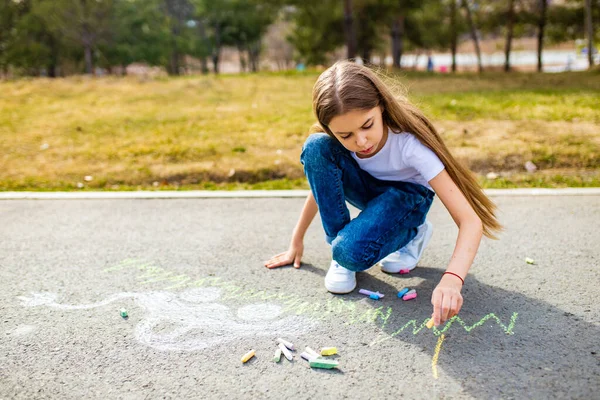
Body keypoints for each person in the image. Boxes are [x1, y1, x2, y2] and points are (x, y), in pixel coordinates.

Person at [264, 60, 501, 326]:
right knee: (316, 147)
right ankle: (339, 252)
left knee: (352, 251)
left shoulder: (411, 146)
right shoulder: (337, 141)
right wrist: (296, 241)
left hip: (407, 200)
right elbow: (323, 187)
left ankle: (412, 233)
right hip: (370, 191)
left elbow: (470, 221)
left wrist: (452, 280)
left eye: (368, 125)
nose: (361, 142)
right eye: (345, 135)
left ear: (382, 108)